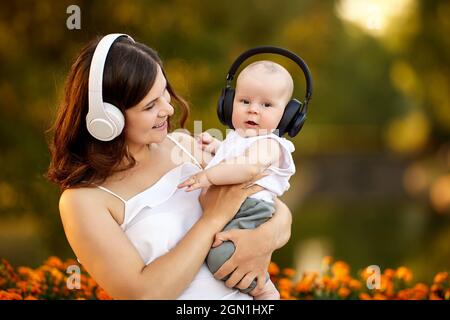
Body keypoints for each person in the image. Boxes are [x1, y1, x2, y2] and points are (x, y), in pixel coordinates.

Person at [46, 34, 292, 299]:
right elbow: (143, 295)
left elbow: (273, 206)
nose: (169, 110)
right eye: (150, 105)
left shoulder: (185, 145)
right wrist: (212, 220)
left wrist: (263, 241)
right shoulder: (83, 201)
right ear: (108, 119)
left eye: (164, 92)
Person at [178, 60, 296, 299]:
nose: (253, 109)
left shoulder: (272, 145)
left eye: (266, 104)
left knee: (222, 257)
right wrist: (216, 148)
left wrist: (207, 175)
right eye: (245, 101)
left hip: (250, 210)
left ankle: (264, 289)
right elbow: (235, 158)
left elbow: (247, 167)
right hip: (233, 206)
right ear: (228, 103)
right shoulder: (238, 137)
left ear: (288, 117)